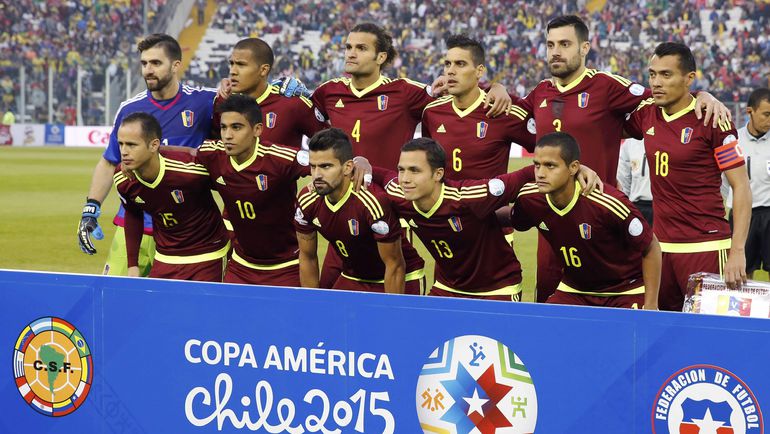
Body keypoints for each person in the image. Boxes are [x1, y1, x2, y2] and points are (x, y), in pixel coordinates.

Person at [518, 15, 729, 303]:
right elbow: (507, 115)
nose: (556, 51)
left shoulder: (606, 86)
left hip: (599, 220)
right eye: (550, 44)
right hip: (551, 220)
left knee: (607, 308)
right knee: (547, 304)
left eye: (565, 44)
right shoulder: (540, 92)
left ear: (584, 48)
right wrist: (495, 89)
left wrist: (703, 95)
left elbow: (664, 97)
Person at [308, 23, 511, 289]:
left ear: (381, 56)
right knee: (326, 298)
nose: (351, 53)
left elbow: (459, 93)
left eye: (361, 48)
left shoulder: (405, 92)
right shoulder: (328, 92)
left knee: (394, 288)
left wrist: (495, 87)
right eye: (348, 47)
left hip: (389, 213)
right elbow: (301, 117)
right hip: (341, 214)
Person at [375, 138, 599, 301]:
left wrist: (578, 170)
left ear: (438, 174)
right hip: (447, 288)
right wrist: (361, 162)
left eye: (414, 171)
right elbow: (382, 175)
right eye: (401, 170)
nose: (405, 179)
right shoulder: (398, 192)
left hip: (497, 288)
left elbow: (523, 175)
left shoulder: (471, 197)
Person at [77, 34, 217, 277]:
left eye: (156, 63)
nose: (148, 70)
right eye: (144, 63)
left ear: (175, 65)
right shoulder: (130, 109)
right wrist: (91, 207)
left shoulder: (204, 102)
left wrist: (280, 87)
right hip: (136, 223)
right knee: (116, 294)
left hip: (185, 232)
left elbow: (249, 103)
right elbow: (110, 162)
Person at [625, 42, 751, 311]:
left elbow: (740, 186)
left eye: (666, 74)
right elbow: (602, 124)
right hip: (659, 249)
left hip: (706, 247)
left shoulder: (712, 119)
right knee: (663, 329)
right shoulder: (647, 113)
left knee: (707, 333)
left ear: (689, 78)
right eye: (652, 74)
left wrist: (737, 250)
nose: (656, 82)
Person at [508, 132, 661, 309]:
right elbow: (513, 220)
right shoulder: (530, 199)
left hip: (624, 290)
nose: (540, 174)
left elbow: (651, 246)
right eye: (537, 165)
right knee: (543, 325)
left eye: (550, 166)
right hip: (574, 290)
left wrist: (651, 306)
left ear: (574, 167)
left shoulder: (607, 203)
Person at [294, 128, 425, 294]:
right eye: (313, 167)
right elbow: (307, 257)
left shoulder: (371, 202)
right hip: (353, 277)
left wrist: (391, 308)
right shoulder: (307, 200)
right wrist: (310, 302)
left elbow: (394, 265)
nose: (317, 175)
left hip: (401, 276)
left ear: (348, 167)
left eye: (326, 166)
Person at [197, 95, 310, 285]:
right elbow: (187, 157)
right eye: (223, 127)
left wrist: (361, 164)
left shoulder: (280, 158)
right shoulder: (211, 154)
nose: (227, 135)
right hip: (241, 265)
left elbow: (324, 163)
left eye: (236, 127)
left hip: (286, 266)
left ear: (257, 129)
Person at [113, 113, 229, 281]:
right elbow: (133, 213)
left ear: (154, 145)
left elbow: (232, 191)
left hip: (209, 255)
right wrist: (132, 265)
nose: (124, 152)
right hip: (164, 258)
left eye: (131, 145)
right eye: (121, 144)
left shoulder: (190, 170)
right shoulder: (122, 179)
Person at [421, 34, 535, 179]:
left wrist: (517, 189)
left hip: (490, 195)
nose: (450, 71)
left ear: (479, 71)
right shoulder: (431, 112)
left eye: (460, 64)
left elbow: (547, 150)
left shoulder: (502, 110)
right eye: (448, 64)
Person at [223, 37, 326, 148]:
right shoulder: (222, 103)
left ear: (263, 70)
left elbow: (331, 145)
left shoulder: (292, 104)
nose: (232, 71)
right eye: (232, 64)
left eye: (241, 65)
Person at [723, 87, 770, 280]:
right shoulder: (733, 141)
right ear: (749, 111)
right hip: (742, 216)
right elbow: (722, 181)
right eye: (766, 114)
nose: (769, 120)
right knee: (741, 272)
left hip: (769, 212)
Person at [617, 138, 653, 225]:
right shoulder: (630, 142)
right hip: (637, 205)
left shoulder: (668, 138)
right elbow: (623, 180)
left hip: (663, 204)